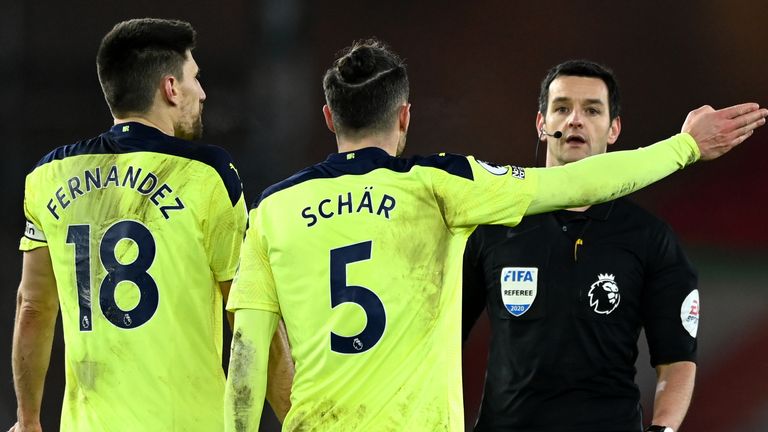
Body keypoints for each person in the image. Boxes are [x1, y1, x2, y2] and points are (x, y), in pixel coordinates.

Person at [223, 39, 766, 431]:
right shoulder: (442, 186)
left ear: (327, 116)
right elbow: (577, 180)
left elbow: (248, 355)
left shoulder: (272, 209)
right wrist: (685, 146)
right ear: (406, 116)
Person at [9, 18, 290, 432]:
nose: (203, 92)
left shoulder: (50, 175)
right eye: (195, 77)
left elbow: (32, 309)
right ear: (170, 88)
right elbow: (251, 321)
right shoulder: (207, 174)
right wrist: (296, 418)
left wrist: (28, 419)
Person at [462, 59, 707, 432]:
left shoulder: (649, 237)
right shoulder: (494, 226)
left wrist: (664, 428)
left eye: (592, 110)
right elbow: (443, 338)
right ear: (541, 125)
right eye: (562, 108)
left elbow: (676, 358)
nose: (575, 120)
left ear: (614, 129)